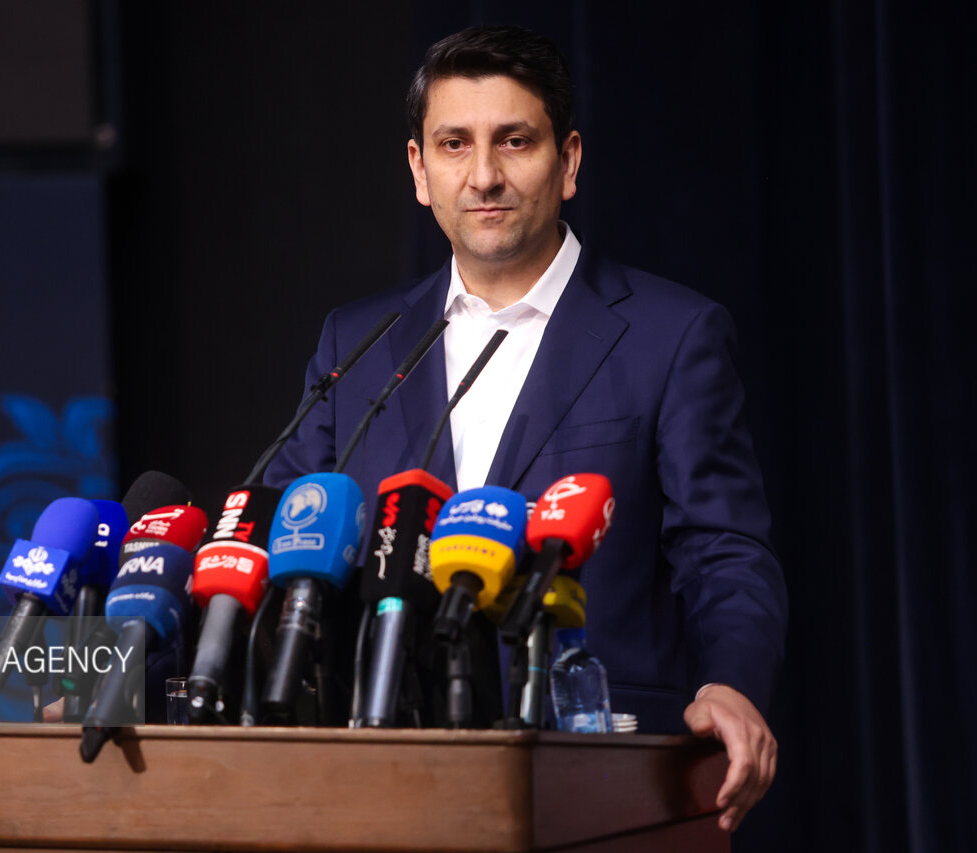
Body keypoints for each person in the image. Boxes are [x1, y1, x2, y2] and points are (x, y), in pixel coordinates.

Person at [265, 25, 786, 833]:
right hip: (382, 779)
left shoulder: (671, 335)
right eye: (455, 144)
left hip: (598, 780)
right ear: (419, 171)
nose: (484, 175)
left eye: (514, 141)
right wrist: (116, 676)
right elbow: (275, 546)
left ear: (567, 161)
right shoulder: (357, 343)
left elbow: (723, 549)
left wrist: (733, 681)